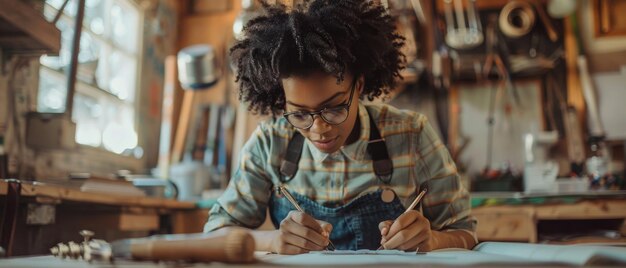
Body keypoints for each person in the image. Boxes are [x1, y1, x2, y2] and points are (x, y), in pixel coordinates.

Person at [204, 0, 477, 254]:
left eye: (334, 108)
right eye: (299, 114)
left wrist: (433, 239)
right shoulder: (270, 143)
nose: (319, 128)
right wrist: (272, 240)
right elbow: (215, 233)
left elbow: (466, 234)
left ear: (358, 86)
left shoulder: (412, 135)